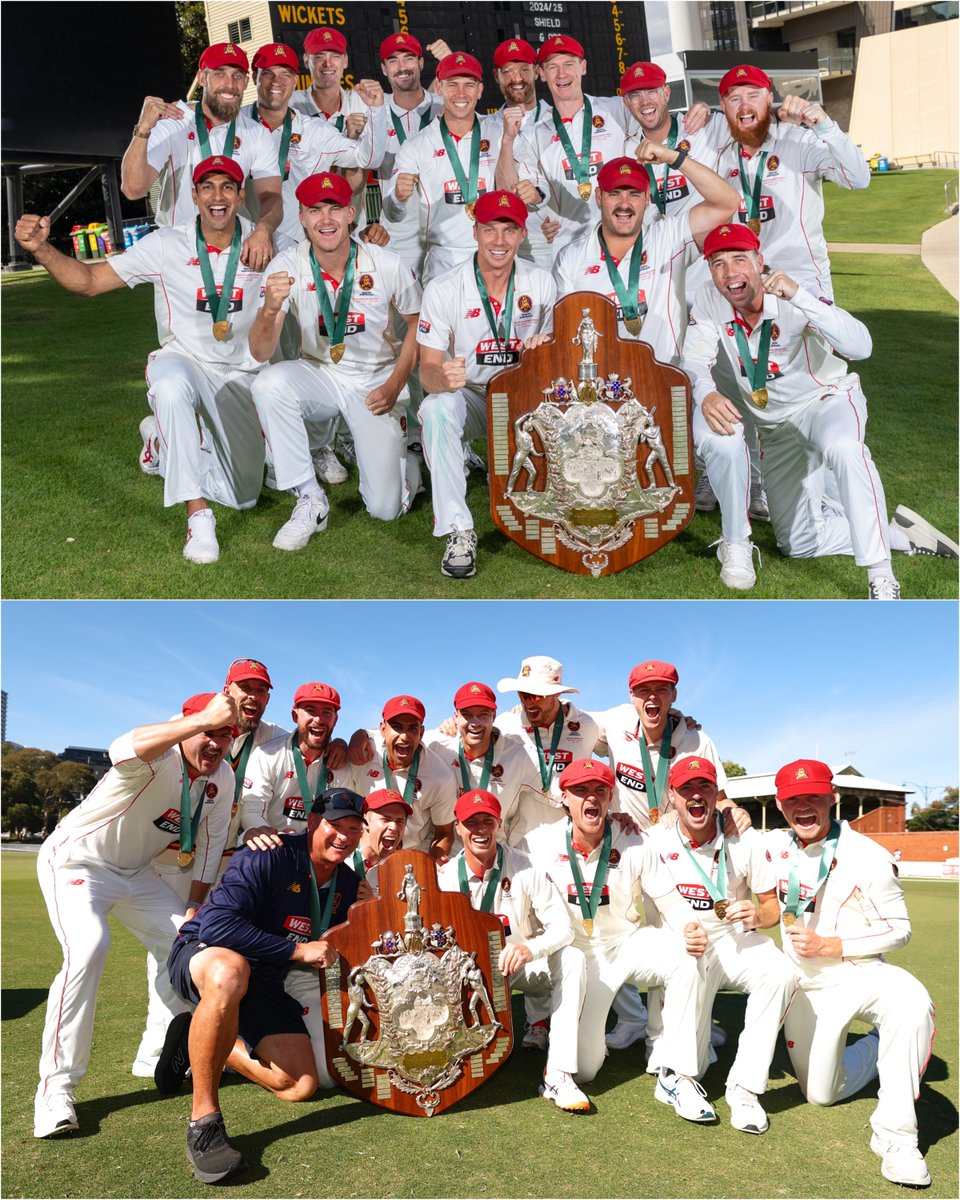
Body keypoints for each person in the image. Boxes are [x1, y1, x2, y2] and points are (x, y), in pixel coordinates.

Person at [682, 223, 959, 595]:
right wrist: (706, 392)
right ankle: (901, 535)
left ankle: (880, 575)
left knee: (843, 448)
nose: (730, 272)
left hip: (825, 402)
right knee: (798, 545)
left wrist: (801, 298)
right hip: (777, 429)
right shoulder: (709, 298)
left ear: (759, 260)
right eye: (718, 263)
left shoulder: (793, 293)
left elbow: (862, 347)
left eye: (739, 259)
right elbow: (695, 359)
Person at [17, 157, 268, 565]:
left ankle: (160, 441)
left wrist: (370, 240)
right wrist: (41, 249)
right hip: (182, 360)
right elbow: (90, 282)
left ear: (241, 196)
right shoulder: (166, 243)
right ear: (194, 196)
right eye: (208, 187)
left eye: (227, 187)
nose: (217, 196)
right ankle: (198, 516)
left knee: (244, 497)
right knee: (169, 386)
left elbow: (325, 256)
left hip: (240, 374)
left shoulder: (264, 244)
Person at [33, 692, 238, 1140]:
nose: (218, 744)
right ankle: (55, 1092)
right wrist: (200, 719)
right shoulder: (158, 756)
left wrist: (193, 908)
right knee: (89, 947)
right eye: (209, 732)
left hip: (137, 876)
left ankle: (166, 1050)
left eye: (227, 736)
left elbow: (208, 849)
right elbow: (119, 747)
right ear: (187, 725)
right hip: (76, 862)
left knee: (189, 947)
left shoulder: (222, 777)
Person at [159, 788, 363, 1183]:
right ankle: (204, 1123)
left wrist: (368, 905)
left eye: (354, 828)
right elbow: (217, 925)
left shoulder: (349, 884)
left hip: (266, 978)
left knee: (299, 1085)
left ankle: (194, 1038)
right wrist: (296, 951)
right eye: (336, 825)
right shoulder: (267, 854)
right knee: (230, 972)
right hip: (207, 956)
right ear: (314, 822)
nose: (344, 836)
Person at [768, 759, 936, 1188]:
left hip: (857, 973)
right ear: (780, 805)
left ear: (833, 798)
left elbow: (901, 930)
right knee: (821, 1095)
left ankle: (897, 1137)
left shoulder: (868, 857)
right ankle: (877, 1047)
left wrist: (833, 946)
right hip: (804, 984)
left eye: (813, 797)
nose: (804, 807)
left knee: (911, 1002)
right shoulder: (776, 846)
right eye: (793, 800)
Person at [518, 759, 711, 1117]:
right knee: (588, 1070)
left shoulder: (634, 839)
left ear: (611, 797)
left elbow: (668, 900)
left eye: (599, 791)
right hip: (573, 950)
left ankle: (677, 1073)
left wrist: (689, 926)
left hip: (625, 944)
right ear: (565, 798)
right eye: (581, 791)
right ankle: (567, 1065)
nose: (591, 799)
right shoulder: (538, 843)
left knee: (688, 952)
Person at [249, 172, 422, 550]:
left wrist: (394, 385)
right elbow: (261, 352)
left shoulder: (386, 263)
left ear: (350, 213)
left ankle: (408, 456)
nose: (325, 220)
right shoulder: (286, 264)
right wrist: (269, 310)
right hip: (320, 373)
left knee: (384, 509)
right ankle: (310, 497)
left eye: (334, 209)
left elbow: (417, 326)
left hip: (376, 381)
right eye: (315, 210)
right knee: (268, 384)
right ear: (303, 216)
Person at [133, 657, 288, 1076]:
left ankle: (211, 1038)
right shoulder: (189, 721)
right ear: (227, 689)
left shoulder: (273, 737)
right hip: (175, 859)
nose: (253, 697)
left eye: (261, 690)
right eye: (245, 688)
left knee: (225, 951)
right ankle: (157, 1049)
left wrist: (350, 742)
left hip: (226, 863)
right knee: (174, 948)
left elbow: (312, 742)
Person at [644, 755, 797, 1134]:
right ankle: (679, 1077)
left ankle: (744, 1088)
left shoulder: (744, 838)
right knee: (688, 958)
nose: (696, 797)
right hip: (680, 937)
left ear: (717, 794)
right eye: (686, 790)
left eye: (705, 788)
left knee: (780, 973)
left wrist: (756, 916)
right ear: (672, 796)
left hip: (732, 937)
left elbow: (772, 908)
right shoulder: (655, 839)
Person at [417, 189, 555, 578]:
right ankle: (459, 530)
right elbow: (427, 370)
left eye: (509, 230)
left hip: (528, 399)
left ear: (523, 235)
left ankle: (562, 511)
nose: (499, 241)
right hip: (475, 396)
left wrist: (544, 351)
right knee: (436, 408)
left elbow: (560, 360)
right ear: (474, 231)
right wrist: (442, 379)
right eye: (489, 229)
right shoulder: (444, 288)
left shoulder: (542, 282)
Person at [438, 789, 588, 1111]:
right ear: (458, 828)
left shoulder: (526, 866)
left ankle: (558, 1075)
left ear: (499, 824)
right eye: (471, 822)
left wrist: (528, 949)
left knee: (573, 958)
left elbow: (564, 927)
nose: (480, 829)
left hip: (516, 965)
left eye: (487, 821)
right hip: (466, 976)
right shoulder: (446, 876)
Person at [552, 152, 738, 366]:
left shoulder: (668, 237)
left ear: (647, 197)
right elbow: (566, 332)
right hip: (603, 390)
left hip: (665, 380)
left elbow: (727, 203)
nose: (625, 204)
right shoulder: (570, 257)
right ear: (598, 196)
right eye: (615, 193)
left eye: (634, 194)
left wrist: (673, 157)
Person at [121, 43, 281, 271]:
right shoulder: (174, 120)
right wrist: (143, 129)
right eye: (219, 74)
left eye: (237, 76)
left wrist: (263, 231)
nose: (229, 84)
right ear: (202, 78)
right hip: (179, 252)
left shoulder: (256, 133)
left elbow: (272, 197)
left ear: (246, 83)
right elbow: (133, 189)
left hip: (233, 253)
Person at [496, 35, 628, 254]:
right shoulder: (533, 133)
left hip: (623, 238)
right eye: (553, 67)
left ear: (583, 67)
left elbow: (657, 119)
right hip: (569, 247)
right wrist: (536, 196)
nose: (562, 74)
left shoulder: (617, 110)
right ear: (542, 74)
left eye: (569, 64)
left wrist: (699, 112)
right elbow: (535, 185)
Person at [381, 51, 504, 284]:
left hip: (496, 254)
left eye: (469, 85)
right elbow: (392, 212)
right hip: (442, 260)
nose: (460, 93)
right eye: (452, 84)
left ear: (480, 90)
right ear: (439, 87)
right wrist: (398, 196)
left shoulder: (499, 133)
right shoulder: (416, 145)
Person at [425, 681, 543, 847]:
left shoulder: (519, 755)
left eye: (483, 715)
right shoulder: (437, 749)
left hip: (497, 854)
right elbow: (393, 737)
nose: (475, 722)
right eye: (467, 714)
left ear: (494, 716)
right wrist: (372, 741)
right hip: (450, 855)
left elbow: (552, 795)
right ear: (456, 717)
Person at [345, 695, 457, 861]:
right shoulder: (363, 754)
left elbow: (444, 834)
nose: (404, 737)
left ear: (422, 732)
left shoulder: (440, 775)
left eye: (412, 728)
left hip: (413, 854)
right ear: (383, 729)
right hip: (364, 854)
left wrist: (429, 868)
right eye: (397, 727)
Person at [485, 38, 558, 268]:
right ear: (496, 76)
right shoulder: (486, 127)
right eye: (508, 71)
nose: (517, 79)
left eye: (524, 70)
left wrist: (563, 220)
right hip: (508, 247)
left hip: (559, 239)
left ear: (536, 72)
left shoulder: (559, 119)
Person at [377, 32, 445, 275]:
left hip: (444, 231)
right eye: (393, 60)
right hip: (396, 234)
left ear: (421, 63)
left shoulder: (444, 107)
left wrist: (449, 61)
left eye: (409, 58)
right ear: (384, 69)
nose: (402, 67)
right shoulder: (374, 114)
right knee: (401, 312)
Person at [619, 62, 720, 227]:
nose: (644, 102)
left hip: (704, 247)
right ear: (626, 103)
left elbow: (754, 121)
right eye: (636, 95)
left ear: (666, 93)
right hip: (656, 248)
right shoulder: (625, 149)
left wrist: (705, 107)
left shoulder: (702, 128)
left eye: (652, 92)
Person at [352, 787, 412, 889]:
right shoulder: (341, 858)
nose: (394, 827)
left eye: (400, 821)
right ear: (365, 821)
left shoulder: (405, 872)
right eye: (386, 819)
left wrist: (374, 903)